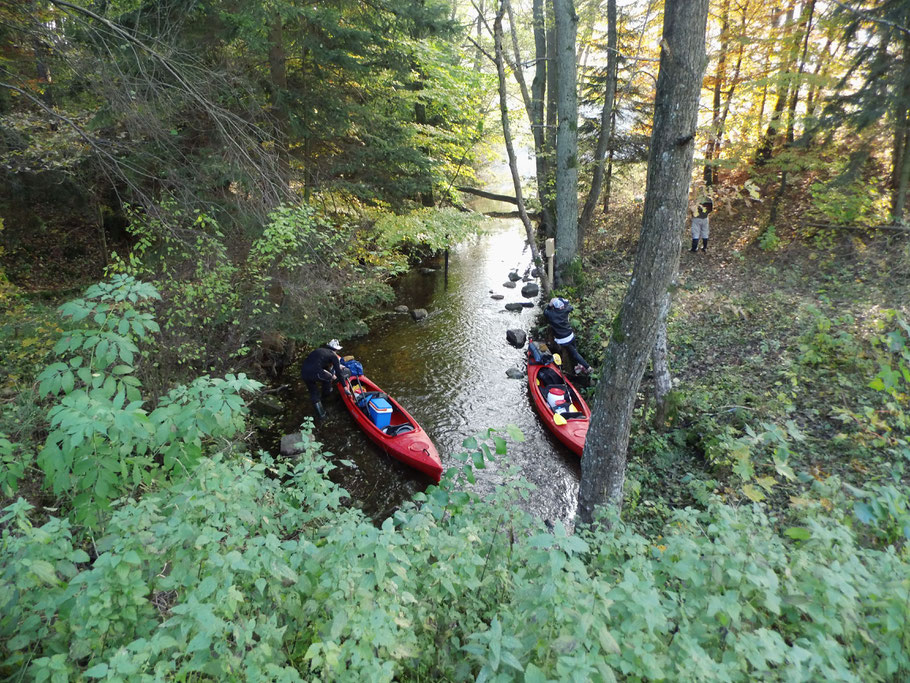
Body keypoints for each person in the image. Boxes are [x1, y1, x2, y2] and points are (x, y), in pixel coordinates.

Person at [544, 297, 592, 375]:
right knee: (575, 352)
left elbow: (545, 312)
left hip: (562, 339)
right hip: (570, 335)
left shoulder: (550, 314)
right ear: (561, 307)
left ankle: (582, 367)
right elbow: (570, 307)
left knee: (574, 353)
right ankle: (582, 367)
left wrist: (550, 304)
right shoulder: (566, 310)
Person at [300, 339, 344, 419]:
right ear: (336, 350)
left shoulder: (320, 351)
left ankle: (321, 415)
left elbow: (319, 364)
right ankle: (326, 396)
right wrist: (344, 386)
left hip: (304, 372)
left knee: (313, 392)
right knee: (328, 378)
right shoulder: (333, 355)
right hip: (315, 373)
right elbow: (339, 373)